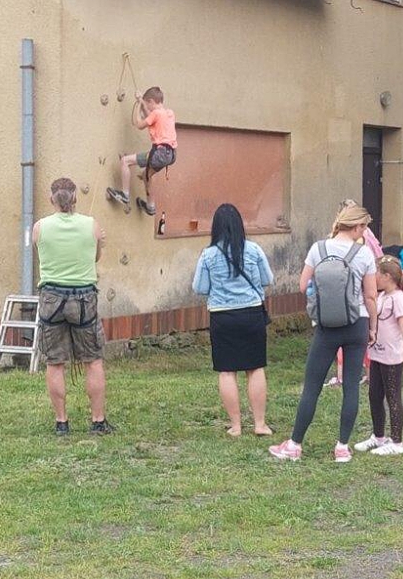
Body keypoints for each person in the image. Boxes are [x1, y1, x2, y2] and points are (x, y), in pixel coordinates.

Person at [269, 205, 378, 463]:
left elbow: (303, 285)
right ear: (357, 227)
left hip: (327, 325)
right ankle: (342, 447)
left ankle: (295, 444)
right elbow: (371, 295)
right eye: (364, 227)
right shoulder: (364, 253)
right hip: (357, 323)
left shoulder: (318, 249)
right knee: (351, 386)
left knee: (312, 386)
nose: (364, 232)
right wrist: (373, 327)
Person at [32, 177, 111, 436]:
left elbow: (42, 253)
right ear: (75, 198)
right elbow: (94, 258)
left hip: (51, 298)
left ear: (51, 199)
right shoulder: (92, 225)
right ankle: (97, 421)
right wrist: (98, 243)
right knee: (93, 360)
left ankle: (61, 422)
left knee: (55, 362)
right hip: (84, 298)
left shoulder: (39, 227)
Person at [192, 203, 274, 437]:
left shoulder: (208, 255)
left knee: (227, 371)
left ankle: (236, 426)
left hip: (222, 316)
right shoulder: (254, 250)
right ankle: (259, 424)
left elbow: (200, 287)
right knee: (255, 368)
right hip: (252, 314)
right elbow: (267, 279)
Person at [355, 256, 403, 456]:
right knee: (374, 396)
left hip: (392, 358)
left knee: (393, 397)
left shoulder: (399, 299)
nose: (372, 277)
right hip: (377, 355)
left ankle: (397, 442)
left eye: (375, 273)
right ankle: (378, 436)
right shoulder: (383, 295)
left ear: (386, 276)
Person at [326, 199, 381, 387]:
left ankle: (344, 375)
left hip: (338, 300)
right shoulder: (367, 238)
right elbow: (378, 257)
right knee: (363, 341)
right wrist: (373, 325)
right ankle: (367, 375)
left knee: (342, 341)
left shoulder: (329, 242)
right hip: (361, 301)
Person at [108, 86, 176, 216]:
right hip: (170, 154)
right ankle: (150, 206)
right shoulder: (169, 113)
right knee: (146, 176)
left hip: (159, 153)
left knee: (125, 161)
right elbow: (150, 116)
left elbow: (138, 124)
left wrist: (139, 104)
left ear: (151, 101)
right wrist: (142, 102)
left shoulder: (156, 114)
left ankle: (125, 195)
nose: (147, 107)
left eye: (147, 104)